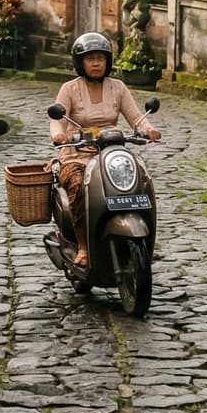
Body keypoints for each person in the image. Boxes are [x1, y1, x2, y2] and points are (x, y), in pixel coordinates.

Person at [52, 31, 161, 267]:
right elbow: (57, 118)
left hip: (110, 154)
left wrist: (148, 129)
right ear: (80, 62)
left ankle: (146, 243)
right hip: (76, 154)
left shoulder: (118, 87)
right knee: (77, 186)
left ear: (108, 61)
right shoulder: (69, 89)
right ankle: (83, 245)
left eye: (100, 58)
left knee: (142, 181)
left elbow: (136, 117)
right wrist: (59, 134)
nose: (95, 63)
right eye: (90, 58)